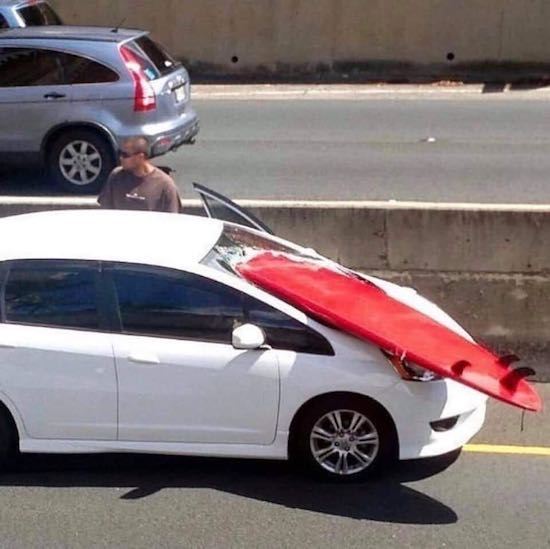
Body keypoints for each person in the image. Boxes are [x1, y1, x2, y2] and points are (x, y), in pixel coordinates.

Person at [98, 137, 183, 213]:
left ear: (140, 157)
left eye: (125, 155)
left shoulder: (165, 185)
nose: (121, 158)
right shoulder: (116, 176)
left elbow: (172, 219)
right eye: (120, 153)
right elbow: (105, 212)